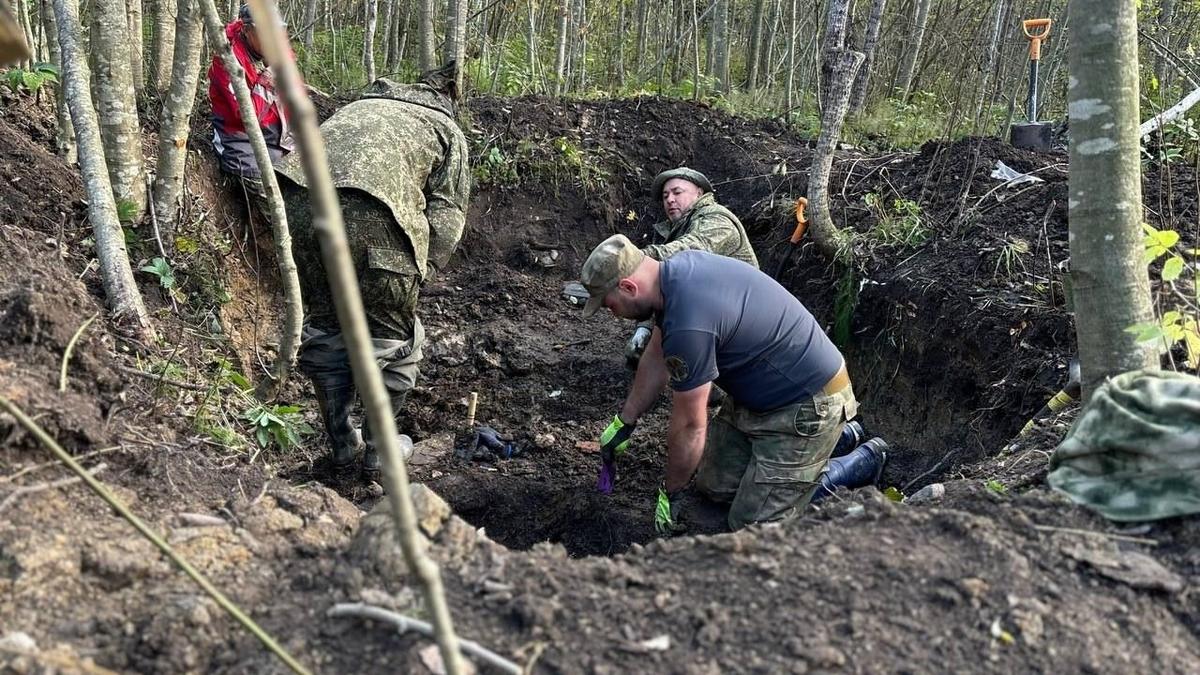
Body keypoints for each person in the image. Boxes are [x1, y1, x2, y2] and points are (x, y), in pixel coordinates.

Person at [582, 234, 885, 531]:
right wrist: (626, 421)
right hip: (759, 394)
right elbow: (656, 355)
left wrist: (670, 492)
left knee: (750, 529)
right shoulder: (673, 276)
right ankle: (836, 442)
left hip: (808, 406)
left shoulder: (689, 322)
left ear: (628, 287)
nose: (614, 314)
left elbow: (690, 426)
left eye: (609, 305)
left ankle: (859, 459)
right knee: (712, 487)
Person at [274, 63, 469, 474]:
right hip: (373, 215)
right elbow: (448, 215)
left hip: (297, 206)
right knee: (397, 340)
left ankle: (343, 444)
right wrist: (422, 270)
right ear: (448, 98)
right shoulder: (444, 127)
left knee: (327, 327)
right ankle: (380, 452)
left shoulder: (356, 109)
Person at [623, 168, 757, 368]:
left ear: (699, 193)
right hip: (722, 317)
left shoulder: (717, 219)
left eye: (677, 192)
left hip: (746, 325)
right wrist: (645, 328)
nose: (670, 200)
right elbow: (661, 285)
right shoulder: (678, 229)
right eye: (665, 196)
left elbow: (691, 250)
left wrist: (634, 260)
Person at [208, 3, 294, 213]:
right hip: (238, 138)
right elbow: (245, 115)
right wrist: (268, 79)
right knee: (265, 192)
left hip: (277, 133)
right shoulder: (227, 59)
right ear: (247, 30)